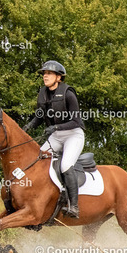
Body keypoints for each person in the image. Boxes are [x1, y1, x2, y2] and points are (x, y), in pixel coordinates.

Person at [23, 60, 85, 218]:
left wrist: (55, 127)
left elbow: (76, 121)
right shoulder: (43, 93)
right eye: (44, 73)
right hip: (56, 136)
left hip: (73, 134)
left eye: (49, 73)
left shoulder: (68, 94)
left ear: (59, 77)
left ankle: (74, 206)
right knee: (37, 160)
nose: (45, 76)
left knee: (65, 165)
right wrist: (27, 127)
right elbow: (39, 117)